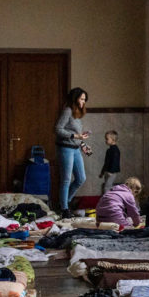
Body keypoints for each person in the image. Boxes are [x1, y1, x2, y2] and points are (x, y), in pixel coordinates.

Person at [54, 87, 89, 218]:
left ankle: (65, 202)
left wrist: (84, 144)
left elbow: (78, 135)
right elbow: (58, 129)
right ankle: (64, 209)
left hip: (76, 149)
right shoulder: (67, 111)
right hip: (65, 148)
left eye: (85, 100)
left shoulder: (77, 113)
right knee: (66, 179)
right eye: (81, 99)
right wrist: (75, 136)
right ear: (75, 98)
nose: (83, 102)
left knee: (81, 178)